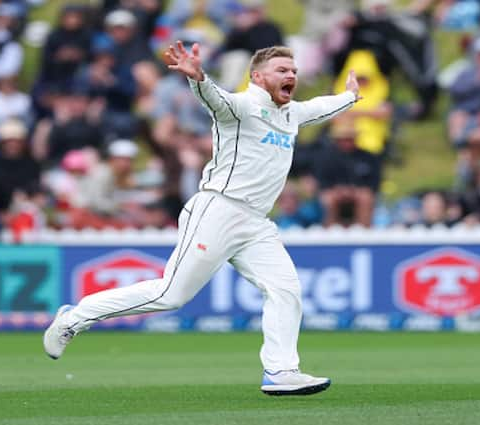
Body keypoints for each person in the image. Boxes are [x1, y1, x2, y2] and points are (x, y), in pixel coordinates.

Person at [44, 42, 360, 396]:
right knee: (171, 295)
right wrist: (198, 78)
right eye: (282, 71)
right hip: (218, 210)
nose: (291, 76)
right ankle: (75, 317)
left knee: (286, 290)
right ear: (257, 77)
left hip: (256, 223)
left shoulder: (290, 113)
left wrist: (349, 97)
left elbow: (319, 107)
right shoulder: (241, 106)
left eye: (294, 72)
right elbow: (216, 99)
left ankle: (281, 370)